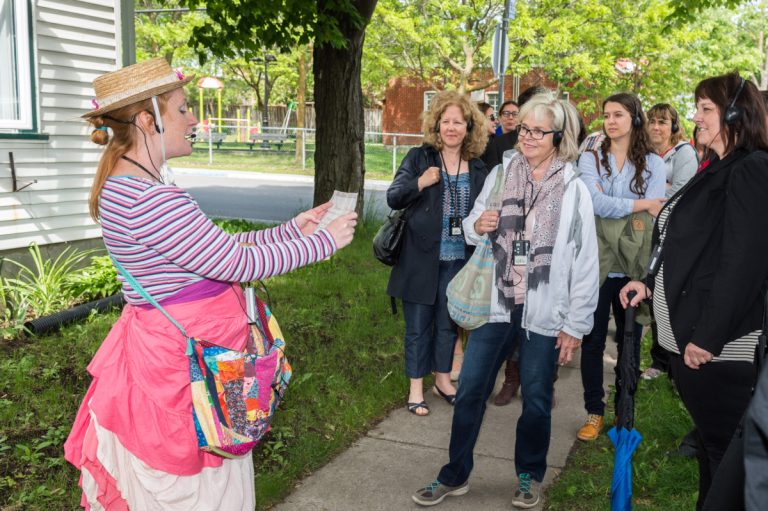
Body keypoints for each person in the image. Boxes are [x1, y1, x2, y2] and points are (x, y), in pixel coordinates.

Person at [63, 58, 357, 509]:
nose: (194, 119)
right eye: (182, 109)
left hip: (177, 353)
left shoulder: (127, 187)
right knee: (199, 485)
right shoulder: (150, 199)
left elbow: (211, 251)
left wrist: (295, 229)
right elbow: (235, 263)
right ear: (148, 120)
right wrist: (322, 244)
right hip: (191, 368)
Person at [412, 90, 598, 509]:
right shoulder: (502, 172)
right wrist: (480, 223)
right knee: (472, 388)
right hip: (496, 301)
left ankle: (529, 476)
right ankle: (453, 474)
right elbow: (474, 229)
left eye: (538, 131)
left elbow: (586, 261)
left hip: (545, 311)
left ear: (558, 136)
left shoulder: (573, 189)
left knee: (535, 398)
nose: (527, 137)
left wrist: (575, 325)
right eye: (524, 128)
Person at [620, 72, 768, 510]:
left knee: (728, 458)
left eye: (706, 109)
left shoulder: (752, 169)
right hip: (693, 340)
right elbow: (685, 245)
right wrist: (647, 284)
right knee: (712, 448)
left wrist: (708, 336)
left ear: (736, 114)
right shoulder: (717, 167)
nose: (696, 117)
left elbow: (743, 264)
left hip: (719, 349)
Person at [387, 90, 489, 417]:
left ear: (469, 127)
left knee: (448, 325)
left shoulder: (477, 168)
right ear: (436, 125)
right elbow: (394, 196)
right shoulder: (420, 158)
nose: (451, 128)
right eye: (445, 121)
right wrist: (420, 182)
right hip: (420, 259)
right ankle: (416, 388)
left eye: (458, 122)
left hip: (460, 260)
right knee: (418, 327)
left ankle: (443, 381)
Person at [575, 92, 666, 441]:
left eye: (619, 114)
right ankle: (593, 411)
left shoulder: (654, 164)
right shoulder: (590, 160)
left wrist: (622, 207)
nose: (611, 121)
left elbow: (652, 211)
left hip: (632, 265)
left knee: (629, 343)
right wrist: (638, 203)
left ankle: (623, 410)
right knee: (592, 339)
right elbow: (594, 203)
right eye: (606, 115)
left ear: (635, 119)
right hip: (595, 262)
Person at [642, 103, 698, 381]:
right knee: (651, 301)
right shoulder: (645, 153)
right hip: (644, 234)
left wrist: (651, 192)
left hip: (670, 238)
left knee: (666, 299)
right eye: (652, 121)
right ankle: (658, 359)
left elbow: (679, 197)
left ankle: (668, 363)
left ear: (674, 126)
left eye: (662, 122)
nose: (656, 127)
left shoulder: (684, 153)